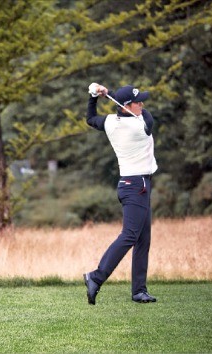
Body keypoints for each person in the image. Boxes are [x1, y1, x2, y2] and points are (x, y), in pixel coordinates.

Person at [83, 83, 158, 305]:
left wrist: (94, 96)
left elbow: (90, 118)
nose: (142, 105)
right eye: (138, 102)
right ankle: (95, 277)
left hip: (131, 184)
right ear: (126, 107)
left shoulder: (109, 122)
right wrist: (111, 95)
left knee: (143, 238)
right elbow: (148, 117)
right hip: (137, 186)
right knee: (130, 236)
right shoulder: (141, 124)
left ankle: (139, 290)